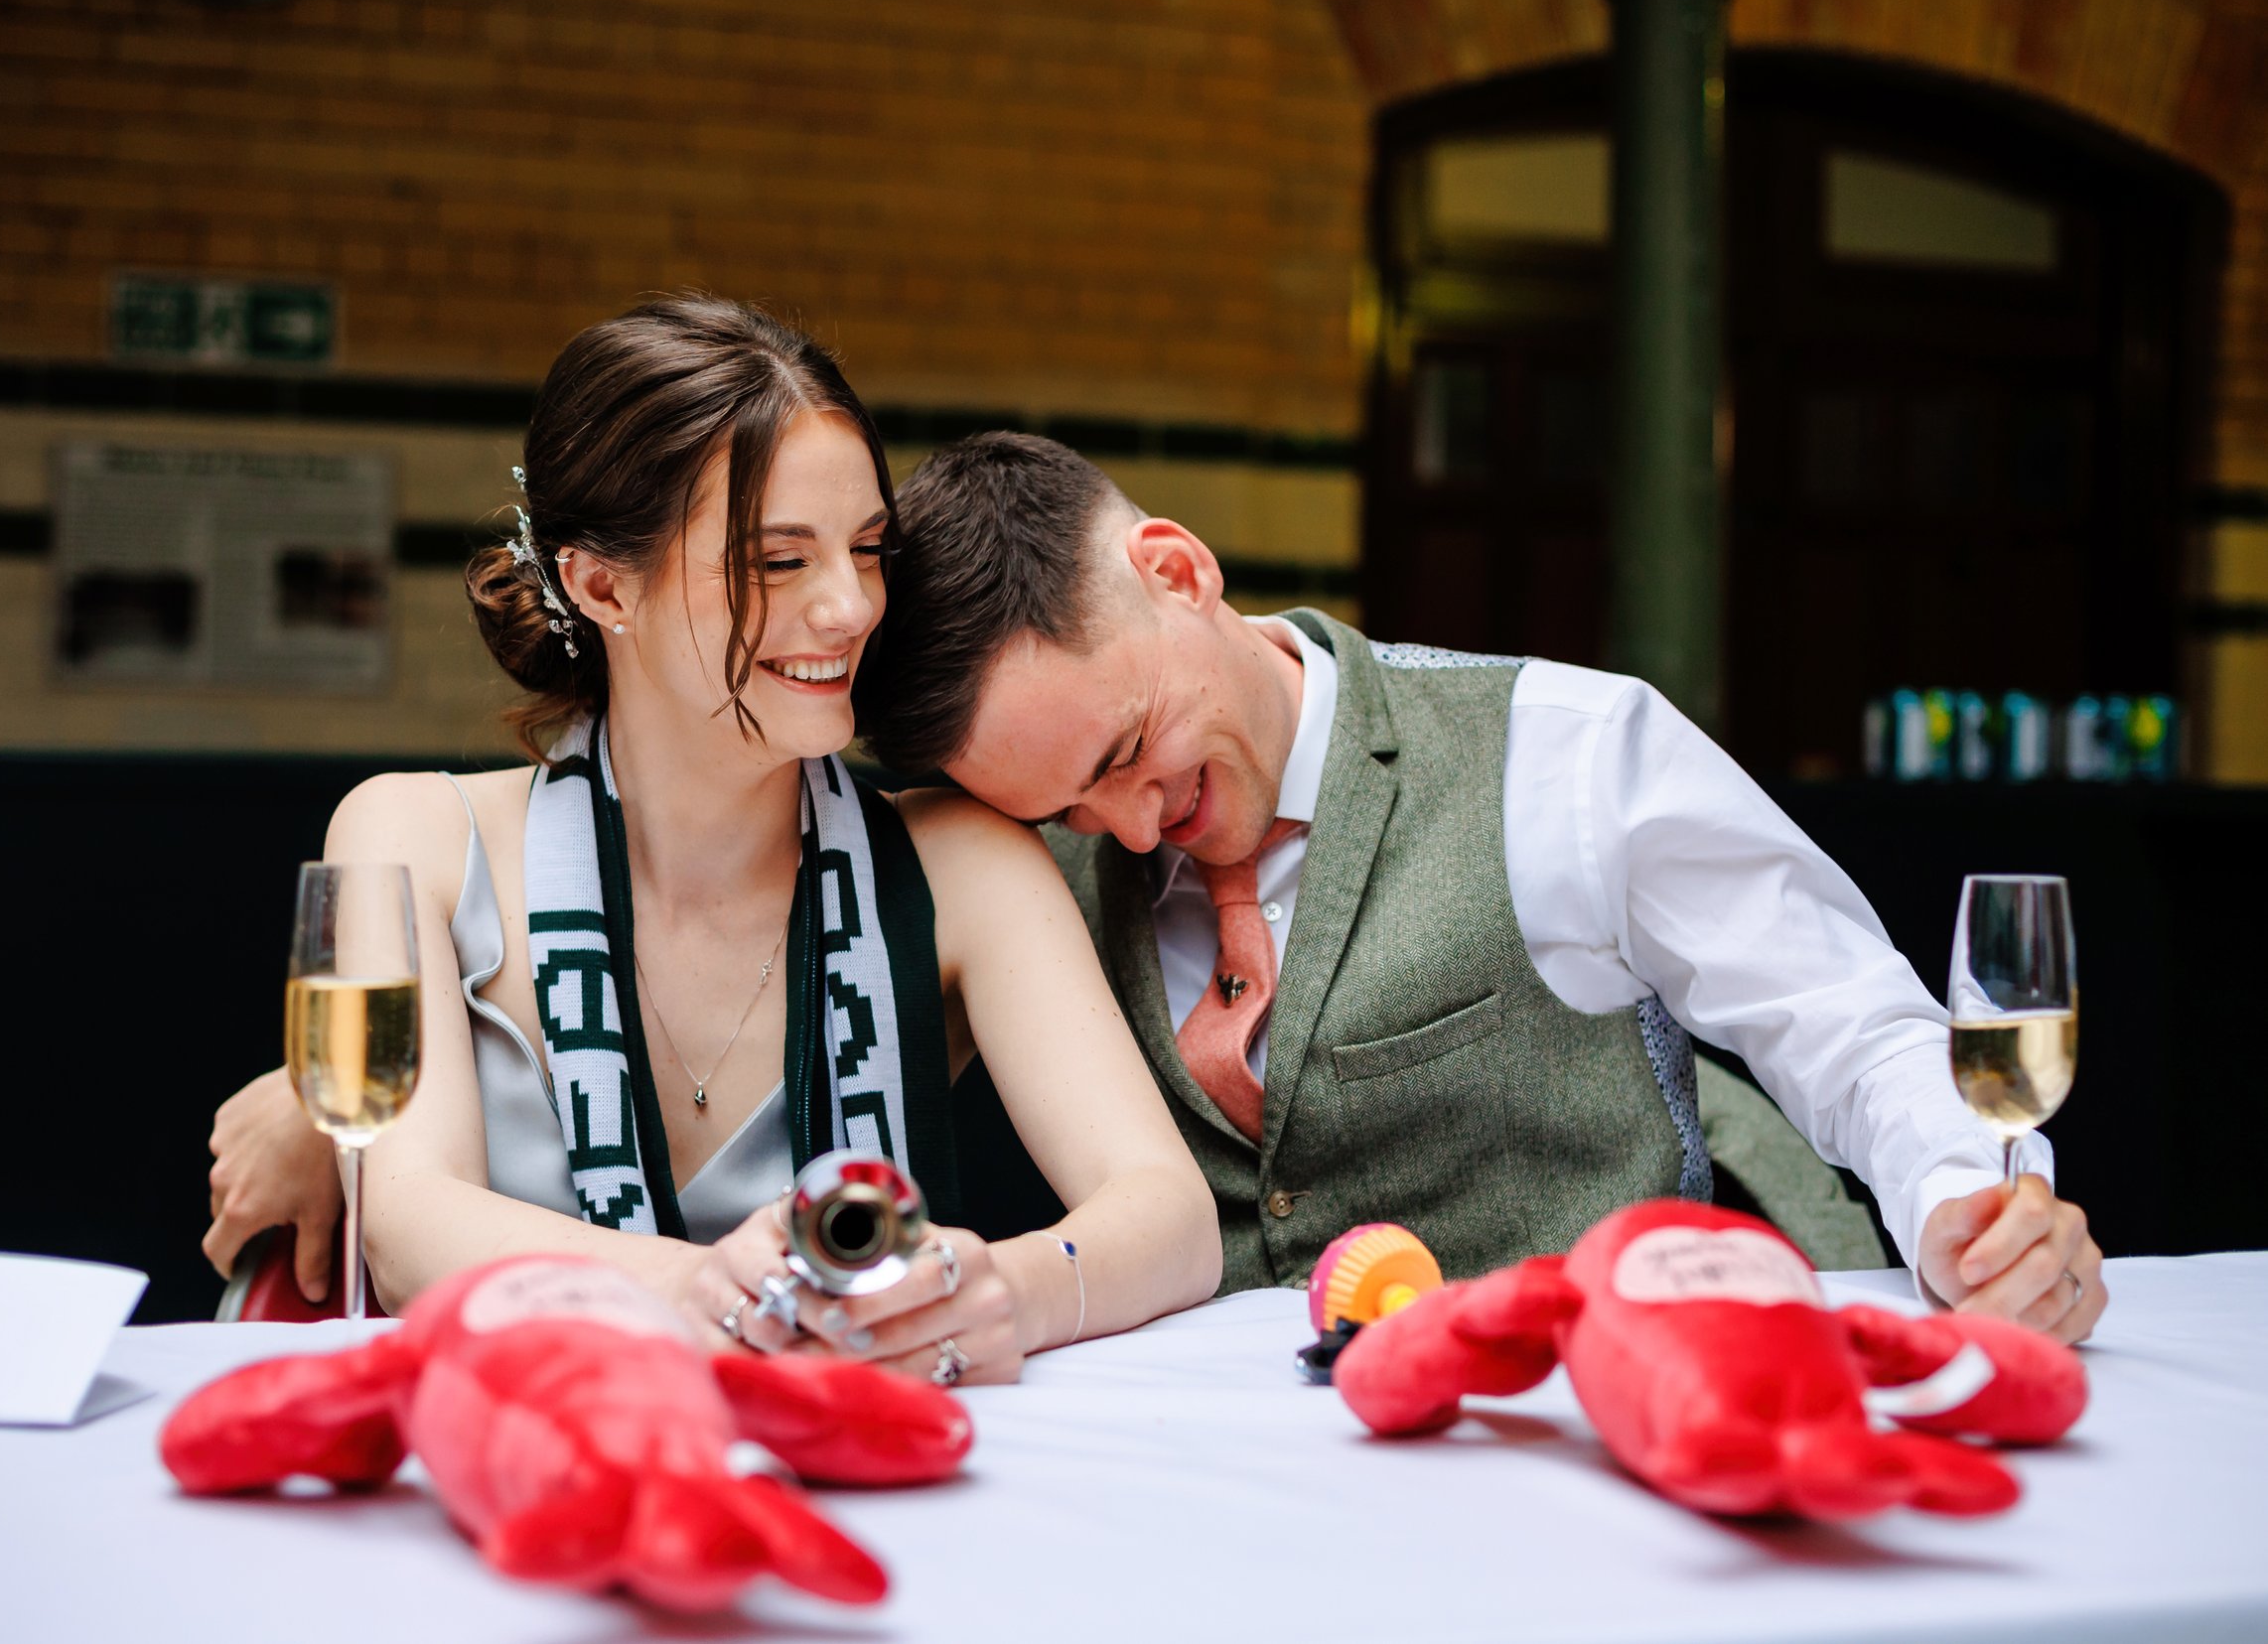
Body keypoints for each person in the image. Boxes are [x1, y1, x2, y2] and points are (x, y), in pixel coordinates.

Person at [849, 432, 2105, 1344]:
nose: (1123, 826)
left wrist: (1965, 1200)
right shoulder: (1013, 869)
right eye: (1063, 808)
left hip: (1568, 1464)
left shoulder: (1571, 748)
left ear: (1177, 571)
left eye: (1124, 753)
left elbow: (1849, 1028)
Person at [206, 303, 1218, 1383]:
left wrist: (993, 1290)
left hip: (875, 1462)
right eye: (779, 562)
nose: (848, 606)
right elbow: (408, 1229)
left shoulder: (960, 865)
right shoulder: (411, 832)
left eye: (867, 550)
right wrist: (708, 1294)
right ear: (602, 584)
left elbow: (1169, 1214)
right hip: (532, 1460)